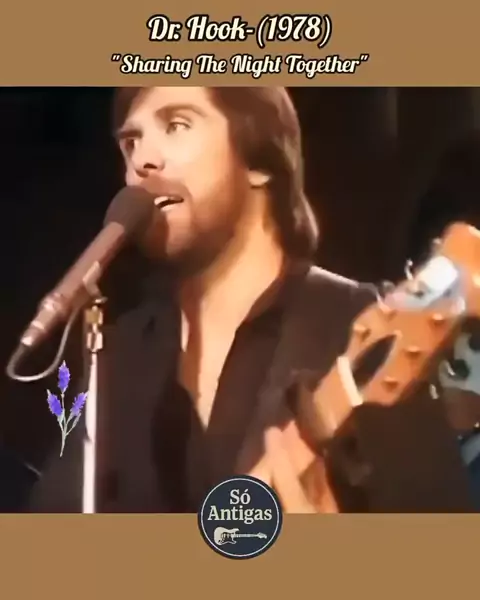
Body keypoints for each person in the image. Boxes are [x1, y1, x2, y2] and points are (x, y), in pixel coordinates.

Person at [27, 87, 473, 513]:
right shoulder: (116, 355)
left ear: (260, 160)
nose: (142, 160)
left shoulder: (358, 326)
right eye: (131, 142)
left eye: (177, 125)